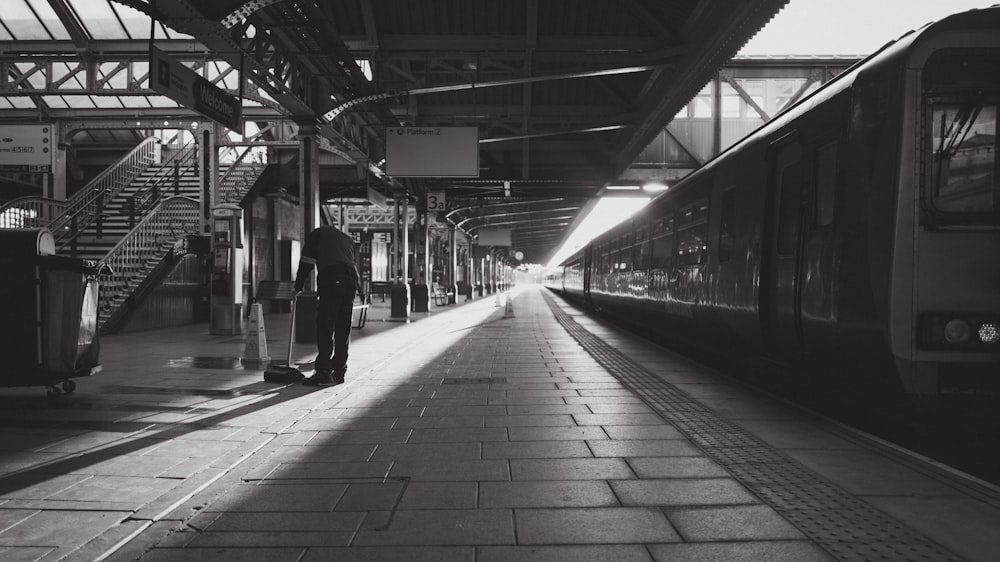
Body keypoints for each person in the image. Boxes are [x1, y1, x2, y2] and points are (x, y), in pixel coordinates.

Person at [293, 224, 361, 386]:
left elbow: (307, 262)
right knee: (343, 326)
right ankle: (339, 371)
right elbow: (353, 262)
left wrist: (297, 287)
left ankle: (323, 372)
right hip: (350, 282)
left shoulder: (316, 236)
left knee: (325, 324)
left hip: (332, 279)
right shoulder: (346, 239)